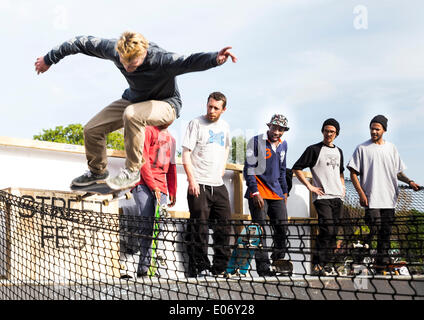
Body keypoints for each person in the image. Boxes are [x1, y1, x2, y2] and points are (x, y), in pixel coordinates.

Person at [35, 31, 237, 190]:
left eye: (133, 64)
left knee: (132, 115)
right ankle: (97, 172)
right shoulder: (113, 49)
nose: (127, 67)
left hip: (167, 104)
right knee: (92, 129)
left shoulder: (161, 59)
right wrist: (49, 58)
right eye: (124, 63)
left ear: (143, 54)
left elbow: (189, 61)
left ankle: (132, 170)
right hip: (134, 99)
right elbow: (80, 42)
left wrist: (214, 58)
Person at [347, 115, 421, 273]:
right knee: (374, 231)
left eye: (377, 129)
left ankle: (381, 266)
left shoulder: (391, 148)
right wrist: (361, 193)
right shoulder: (362, 148)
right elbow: (353, 173)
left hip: (389, 199)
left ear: (384, 130)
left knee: (385, 235)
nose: (373, 131)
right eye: (372, 128)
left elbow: (398, 172)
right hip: (371, 200)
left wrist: (410, 182)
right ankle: (358, 261)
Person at [182, 92, 232, 277]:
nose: (211, 110)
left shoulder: (225, 126)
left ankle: (219, 269)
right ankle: (201, 267)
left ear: (223, 110)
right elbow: (185, 153)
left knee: (225, 227)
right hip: (199, 184)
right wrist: (191, 180)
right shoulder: (195, 123)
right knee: (200, 228)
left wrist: (222, 169)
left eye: (216, 108)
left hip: (217, 185)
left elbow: (226, 148)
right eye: (209, 106)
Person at [293, 118, 345, 276]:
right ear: (322, 131)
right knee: (326, 229)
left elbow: (341, 172)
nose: (329, 134)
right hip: (322, 198)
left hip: (338, 197)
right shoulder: (314, 149)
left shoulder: (339, 151)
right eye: (326, 131)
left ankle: (326, 265)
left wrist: (342, 188)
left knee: (334, 232)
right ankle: (317, 265)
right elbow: (297, 167)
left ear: (336, 134)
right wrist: (310, 186)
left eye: (332, 132)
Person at [126, 123, 177, 278]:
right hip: (143, 184)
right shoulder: (148, 131)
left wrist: (172, 190)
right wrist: (153, 186)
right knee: (147, 224)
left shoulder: (172, 140)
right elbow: (143, 161)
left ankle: (153, 266)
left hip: (161, 187)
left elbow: (172, 167)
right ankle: (144, 269)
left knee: (158, 227)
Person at [243, 114, 291, 276]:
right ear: (269, 126)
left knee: (282, 228)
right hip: (258, 193)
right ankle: (263, 269)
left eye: (281, 129)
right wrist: (254, 192)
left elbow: (283, 171)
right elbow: (248, 169)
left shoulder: (284, 145)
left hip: (277, 193)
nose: (277, 132)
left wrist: (284, 193)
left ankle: (278, 262)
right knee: (260, 231)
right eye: (275, 127)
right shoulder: (255, 142)